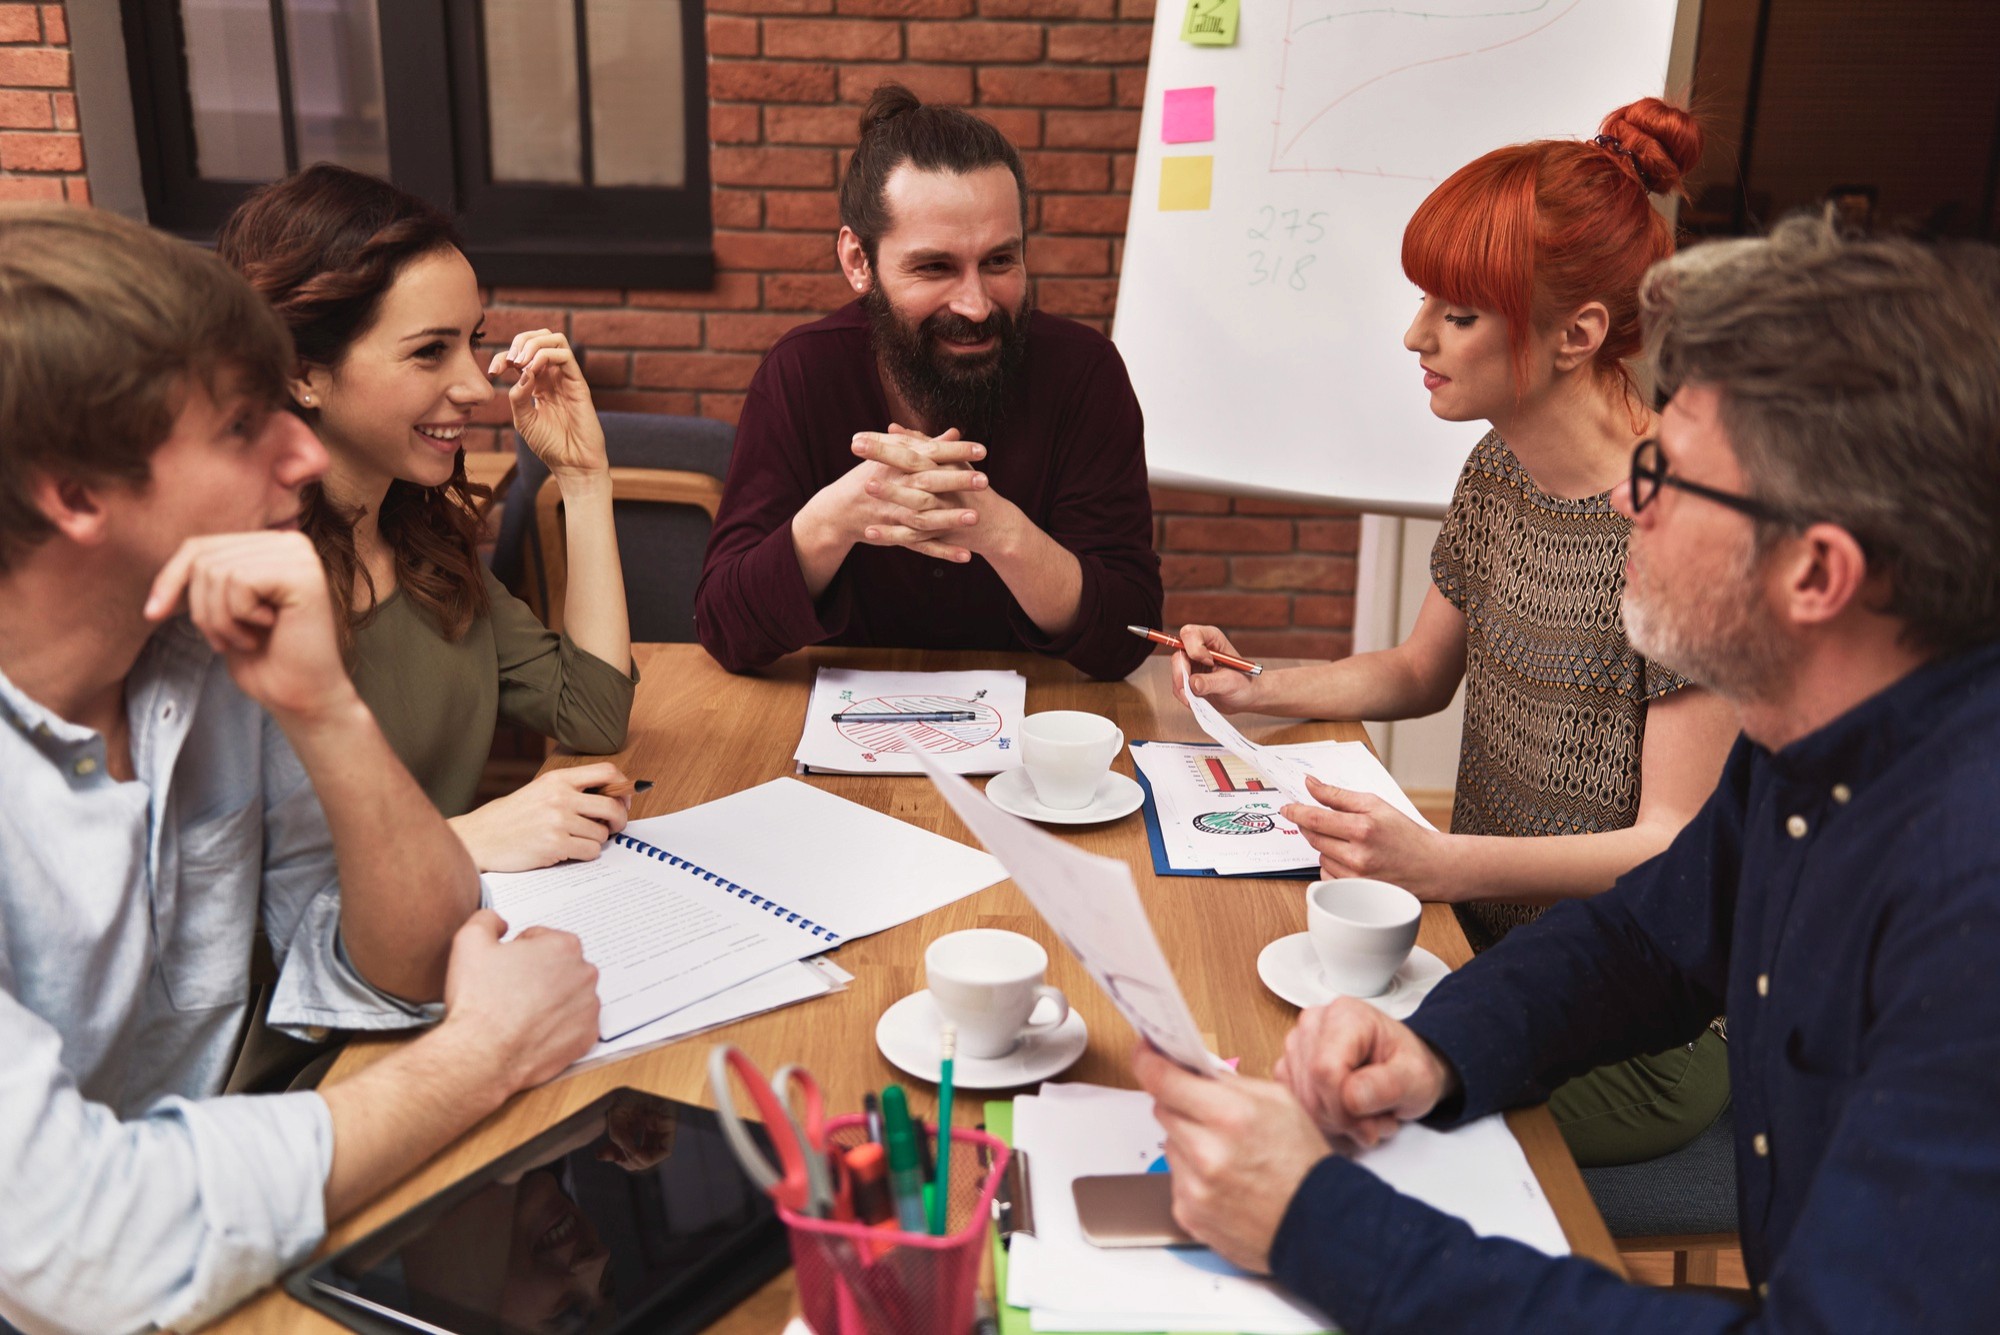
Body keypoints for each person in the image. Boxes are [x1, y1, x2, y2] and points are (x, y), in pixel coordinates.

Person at [1136, 216, 2000, 1330]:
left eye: (1668, 474)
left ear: (1815, 574)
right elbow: (1648, 939)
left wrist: (1315, 1227)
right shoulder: (1816, 735)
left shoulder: (1968, 902)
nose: (1629, 500)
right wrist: (1436, 1047)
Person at [0, 205, 603, 1333]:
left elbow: (406, 967)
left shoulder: (198, 643)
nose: (304, 456)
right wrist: (482, 1056)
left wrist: (326, 711)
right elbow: (77, 1250)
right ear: (75, 492)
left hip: (228, 1254)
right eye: (241, 428)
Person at [1175, 102, 1741, 1166]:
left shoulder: (1684, 522)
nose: (1413, 336)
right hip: (1479, 958)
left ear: (1574, 335)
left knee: (1338, 1130)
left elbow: (1669, 847)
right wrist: (1256, 683)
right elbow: (1413, 672)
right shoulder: (1494, 467)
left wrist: (1437, 863)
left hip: (1635, 1029)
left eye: (1456, 313)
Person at [217, 165, 638, 873]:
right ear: (300, 372)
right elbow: (240, 892)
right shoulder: (239, 592)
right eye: (428, 352)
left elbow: (593, 713)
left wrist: (584, 477)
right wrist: (461, 841)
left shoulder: (420, 543)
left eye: (473, 341)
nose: (477, 386)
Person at [694, 84, 1163, 681]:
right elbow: (724, 630)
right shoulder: (801, 373)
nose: (974, 304)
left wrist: (997, 529)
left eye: (999, 261)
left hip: (1037, 736)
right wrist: (835, 518)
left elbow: (1127, 636)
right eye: (935, 267)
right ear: (858, 262)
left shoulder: (1085, 373)